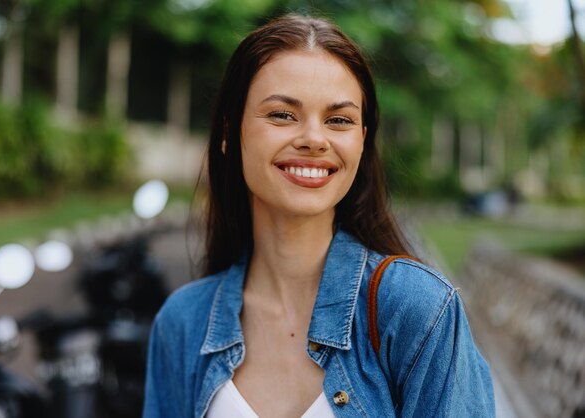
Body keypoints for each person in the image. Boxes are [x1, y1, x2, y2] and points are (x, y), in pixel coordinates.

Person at [143, 14, 495, 418]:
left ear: (361, 142)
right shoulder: (182, 323)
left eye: (338, 120)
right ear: (228, 132)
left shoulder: (417, 311)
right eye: (282, 114)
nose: (313, 139)